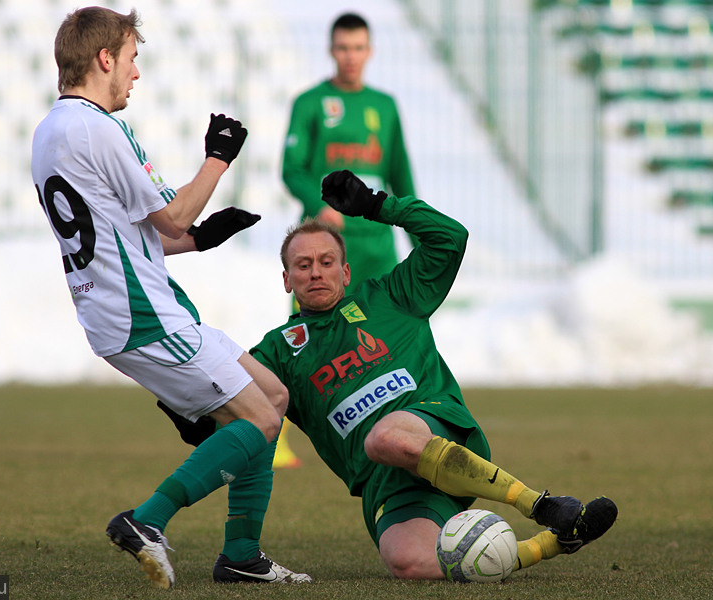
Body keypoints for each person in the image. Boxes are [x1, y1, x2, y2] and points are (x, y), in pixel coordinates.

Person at [30, 7, 310, 588]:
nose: (136, 74)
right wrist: (220, 156)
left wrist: (200, 239)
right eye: (132, 59)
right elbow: (173, 211)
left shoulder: (51, 131)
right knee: (258, 419)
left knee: (273, 396)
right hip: (143, 317)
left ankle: (241, 557)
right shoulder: (98, 127)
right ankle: (147, 520)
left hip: (128, 311)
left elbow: (127, 235)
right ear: (104, 58)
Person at [251, 170, 618, 579]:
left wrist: (377, 205)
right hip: (385, 480)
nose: (316, 272)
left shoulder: (390, 296)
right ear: (287, 279)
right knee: (410, 564)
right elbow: (230, 396)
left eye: (326, 262)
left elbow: (450, 237)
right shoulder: (278, 349)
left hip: (432, 425)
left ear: (346, 272)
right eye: (303, 265)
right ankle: (555, 541)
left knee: (385, 437)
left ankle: (536, 503)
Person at [276, 11, 417, 469]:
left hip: (376, 247)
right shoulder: (311, 102)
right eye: (343, 48)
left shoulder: (386, 106)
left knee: (384, 338)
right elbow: (291, 168)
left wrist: (417, 235)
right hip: (324, 247)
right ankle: (272, 433)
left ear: (369, 50)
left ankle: (398, 430)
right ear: (331, 50)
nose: (351, 57)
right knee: (303, 342)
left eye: (358, 48)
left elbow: (401, 178)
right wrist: (317, 204)